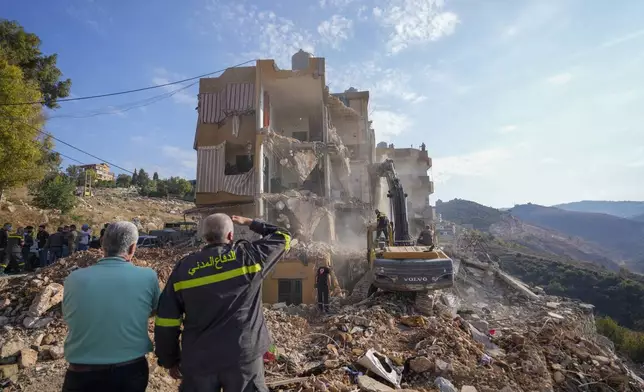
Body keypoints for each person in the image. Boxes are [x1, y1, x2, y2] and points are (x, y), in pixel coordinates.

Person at [155, 214, 291, 392]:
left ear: (205, 237)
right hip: (243, 358)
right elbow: (283, 236)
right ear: (230, 236)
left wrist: (170, 360)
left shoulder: (184, 268)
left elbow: (167, 319)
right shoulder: (248, 258)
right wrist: (250, 222)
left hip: (199, 360)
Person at [62, 221, 160, 392]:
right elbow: (155, 310)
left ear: (102, 244)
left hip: (81, 374)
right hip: (129, 373)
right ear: (132, 248)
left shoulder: (74, 278)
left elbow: (71, 314)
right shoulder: (147, 277)